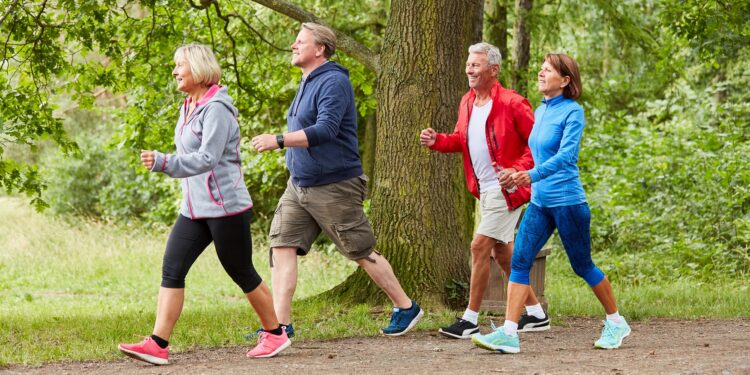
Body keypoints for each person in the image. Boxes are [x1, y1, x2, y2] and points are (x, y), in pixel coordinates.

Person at [118, 44, 290, 365]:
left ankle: (276, 334)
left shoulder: (217, 109)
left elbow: (208, 158)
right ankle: (158, 344)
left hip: (226, 208)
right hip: (194, 209)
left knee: (240, 270)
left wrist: (164, 162)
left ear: (197, 68)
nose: (175, 71)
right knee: (172, 268)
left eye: (179, 65)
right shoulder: (189, 105)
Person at [250, 23, 423, 336]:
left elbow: (326, 130)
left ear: (320, 49)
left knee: (360, 250)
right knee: (281, 245)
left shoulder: (333, 81)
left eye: (300, 41)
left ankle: (406, 306)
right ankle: (279, 328)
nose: (293, 45)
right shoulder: (307, 80)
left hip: (334, 185)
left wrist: (278, 139)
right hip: (299, 185)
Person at [472, 53, 631, 353]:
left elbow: (567, 156)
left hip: (568, 202)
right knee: (520, 261)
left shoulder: (573, 112)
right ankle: (509, 333)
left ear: (566, 80)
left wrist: (529, 175)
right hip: (540, 202)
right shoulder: (541, 110)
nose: (541, 73)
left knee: (582, 265)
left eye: (548, 70)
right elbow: (536, 154)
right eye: (541, 69)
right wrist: (516, 173)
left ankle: (616, 321)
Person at [419, 42, 548, 339]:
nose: (469, 69)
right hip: (485, 191)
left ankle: (470, 319)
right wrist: (437, 140)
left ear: (493, 70)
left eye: (475, 65)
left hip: (508, 191)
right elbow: (461, 140)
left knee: (479, 247)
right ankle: (537, 314)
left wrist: (518, 171)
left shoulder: (513, 103)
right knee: (503, 255)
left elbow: (538, 145)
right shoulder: (467, 102)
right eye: (468, 64)